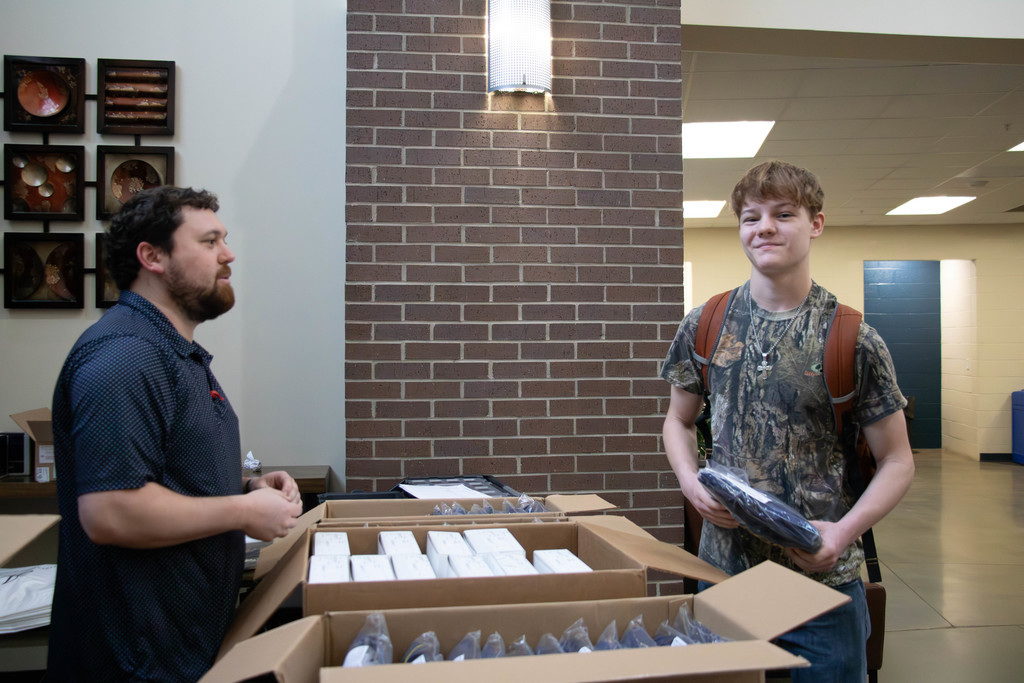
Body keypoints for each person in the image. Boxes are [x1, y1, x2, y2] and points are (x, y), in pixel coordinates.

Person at [661, 160, 915, 681]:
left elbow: (897, 460)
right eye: (751, 217)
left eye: (783, 214)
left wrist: (842, 534)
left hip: (821, 583)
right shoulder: (706, 324)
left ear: (815, 223)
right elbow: (678, 421)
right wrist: (690, 482)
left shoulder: (852, 338)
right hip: (726, 574)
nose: (765, 228)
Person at [48, 186, 303, 681]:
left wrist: (247, 487)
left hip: (181, 648)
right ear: (153, 257)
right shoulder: (125, 355)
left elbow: (168, 475)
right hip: (135, 665)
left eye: (224, 239)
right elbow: (111, 511)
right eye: (209, 242)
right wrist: (242, 511)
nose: (228, 255)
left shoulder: (171, 352)